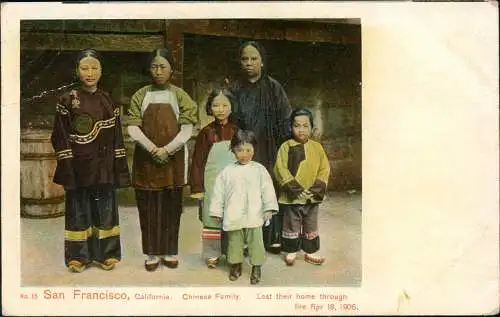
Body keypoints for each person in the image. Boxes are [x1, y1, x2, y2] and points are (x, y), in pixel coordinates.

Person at [51, 48, 131, 273]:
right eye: (84, 68)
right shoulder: (67, 99)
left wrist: (117, 166)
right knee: (78, 207)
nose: (89, 72)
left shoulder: (108, 100)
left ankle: (106, 254)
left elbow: (116, 136)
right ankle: (78, 256)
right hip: (78, 165)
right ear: (77, 70)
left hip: (103, 165)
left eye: (94, 68)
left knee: (105, 207)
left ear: (101, 71)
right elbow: (60, 135)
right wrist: (67, 165)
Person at [127, 48, 197, 272]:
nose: (158, 71)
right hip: (146, 161)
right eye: (154, 66)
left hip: (173, 162)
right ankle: (151, 253)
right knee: (148, 207)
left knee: (171, 206)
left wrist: (167, 149)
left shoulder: (180, 95)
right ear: (149, 69)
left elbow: (187, 129)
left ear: (172, 70)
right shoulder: (141, 95)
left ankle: (169, 251)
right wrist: (152, 149)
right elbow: (133, 128)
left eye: (163, 67)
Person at [230, 40, 292, 254]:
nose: (249, 63)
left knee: (268, 189)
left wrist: (284, 150)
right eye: (245, 59)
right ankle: (246, 238)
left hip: (269, 147)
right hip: (244, 148)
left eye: (254, 59)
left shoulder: (274, 87)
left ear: (262, 62)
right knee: (244, 191)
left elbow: (285, 119)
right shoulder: (235, 88)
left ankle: (272, 237)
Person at [209, 130, 278, 284]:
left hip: (254, 213)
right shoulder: (227, 172)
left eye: (248, 150)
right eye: (240, 150)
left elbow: (267, 190)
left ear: (254, 150)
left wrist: (268, 208)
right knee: (234, 242)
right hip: (234, 213)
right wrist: (216, 211)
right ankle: (235, 264)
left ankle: (256, 266)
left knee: (256, 242)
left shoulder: (259, 170)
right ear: (233, 150)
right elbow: (218, 192)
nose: (244, 154)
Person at [189, 88, 239, 269]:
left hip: (234, 182)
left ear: (232, 107)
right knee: (212, 218)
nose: (220, 109)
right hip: (212, 183)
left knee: (234, 216)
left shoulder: (237, 131)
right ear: (210, 107)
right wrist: (197, 187)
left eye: (225, 105)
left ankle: (235, 252)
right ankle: (212, 253)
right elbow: (197, 162)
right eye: (216, 105)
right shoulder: (206, 132)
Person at [273, 108, 331, 266]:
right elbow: (280, 168)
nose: (301, 129)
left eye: (306, 126)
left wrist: (315, 189)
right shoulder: (286, 146)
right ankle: (291, 250)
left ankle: (311, 252)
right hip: (293, 196)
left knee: (310, 223)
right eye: (297, 125)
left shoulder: (317, 148)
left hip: (312, 196)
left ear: (312, 128)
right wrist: (295, 189)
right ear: (290, 127)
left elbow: (324, 168)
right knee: (292, 223)